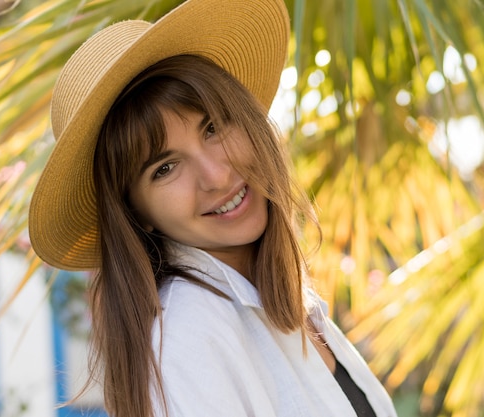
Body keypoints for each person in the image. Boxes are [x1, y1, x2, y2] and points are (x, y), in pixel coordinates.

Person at [28, 0, 398, 416]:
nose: (217, 176)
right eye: (165, 168)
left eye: (214, 127)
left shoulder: (282, 303)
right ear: (136, 213)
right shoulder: (190, 335)